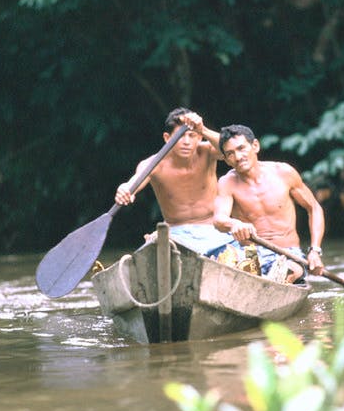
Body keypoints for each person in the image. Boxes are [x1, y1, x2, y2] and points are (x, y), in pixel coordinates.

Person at [213, 124, 325, 283]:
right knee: (227, 269)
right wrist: (234, 224)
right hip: (250, 253)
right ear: (225, 160)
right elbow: (218, 219)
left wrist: (315, 251)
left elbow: (314, 208)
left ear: (255, 146)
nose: (238, 157)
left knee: (286, 273)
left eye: (241, 148)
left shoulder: (284, 173)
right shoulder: (226, 183)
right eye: (230, 153)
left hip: (288, 254)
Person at [114, 108, 234, 255]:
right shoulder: (155, 164)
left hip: (212, 228)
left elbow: (230, 149)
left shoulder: (208, 151)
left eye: (192, 135)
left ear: (199, 138)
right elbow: (133, 184)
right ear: (167, 138)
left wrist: (203, 129)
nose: (186, 142)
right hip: (175, 233)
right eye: (180, 136)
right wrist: (125, 189)